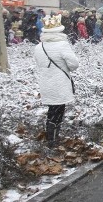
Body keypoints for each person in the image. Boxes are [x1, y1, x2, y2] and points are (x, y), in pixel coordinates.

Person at [33, 14, 79, 150]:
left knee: (52, 110)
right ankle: (53, 140)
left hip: (46, 82)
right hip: (60, 83)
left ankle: (52, 138)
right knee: (58, 110)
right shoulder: (62, 45)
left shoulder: (39, 47)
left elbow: (39, 63)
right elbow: (74, 64)